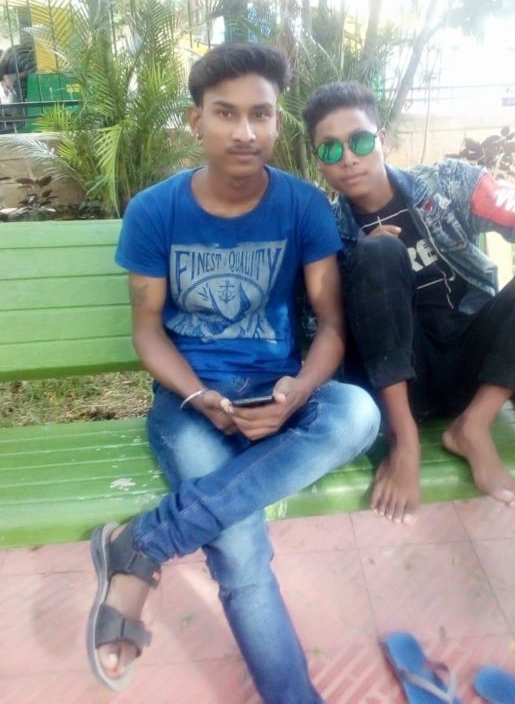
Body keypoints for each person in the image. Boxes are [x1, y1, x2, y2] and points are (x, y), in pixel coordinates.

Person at [86, 46, 380, 702]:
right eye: (226, 113)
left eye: (260, 114)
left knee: (358, 413)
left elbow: (332, 325)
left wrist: (297, 393)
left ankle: (143, 542)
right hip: (190, 406)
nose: (245, 131)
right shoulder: (156, 211)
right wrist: (199, 395)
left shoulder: (303, 206)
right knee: (240, 544)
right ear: (196, 120)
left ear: (277, 121)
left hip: (280, 395)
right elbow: (147, 329)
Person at [302, 80, 515, 526]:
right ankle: (406, 441)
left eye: (360, 141)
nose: (347, 157)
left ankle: (473, 425)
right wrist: (359, 260)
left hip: (473, 364)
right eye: (330, 149)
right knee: (378, 251)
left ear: (382, 139)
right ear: (318, 160)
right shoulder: (324, 228)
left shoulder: (448, 185)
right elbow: (323, 322)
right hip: (399, 384)